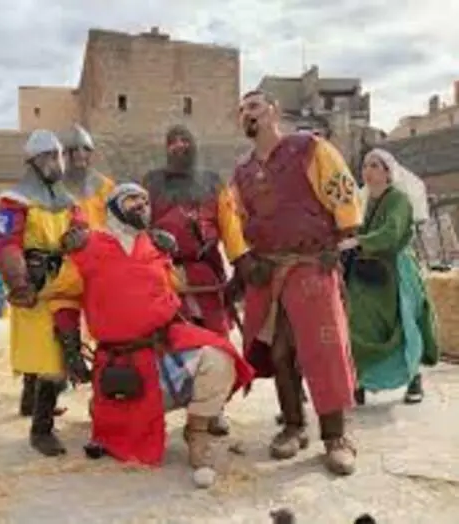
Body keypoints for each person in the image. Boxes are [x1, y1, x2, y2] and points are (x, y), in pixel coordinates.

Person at [46, 183, 254, 488]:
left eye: (145, 200)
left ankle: (197, 432)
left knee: (220, 357)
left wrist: (174, 254)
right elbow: (64, 299)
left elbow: (174, 288)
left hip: (163, 351)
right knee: (121, 432)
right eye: (132, 200)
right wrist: (72, 350)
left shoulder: (156, 246)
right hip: (122, 367)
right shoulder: (87, 248)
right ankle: (103, 410)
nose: (141, 206)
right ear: (114, 206)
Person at [230, 90, 362, 476]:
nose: (246, 114)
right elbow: (235, 219)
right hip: (268, 270)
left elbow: (343, 193)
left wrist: (338, 245)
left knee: (324, 347)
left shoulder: (309, 148)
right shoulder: (241, 171)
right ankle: (293, 425)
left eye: (253, 106)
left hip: (311, 263)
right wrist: (245, 261)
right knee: (279, 351)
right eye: (241, 111)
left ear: (273, 110)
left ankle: (336, 436)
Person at [142, 124, 250, 436]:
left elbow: (230, 228)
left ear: (195, 144)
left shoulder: (213, 183)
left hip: (206, 275)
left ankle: (214, 410)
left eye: (184, 140)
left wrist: (241, 267)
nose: (178, 146)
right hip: (164, 274)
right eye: (171, 141)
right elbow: (138, 225)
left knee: (216, 343)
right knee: (168, 345)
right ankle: (159, 412)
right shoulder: (151, 183)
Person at [0, 129, 86, 456]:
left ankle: (29, 403)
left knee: (55, 347)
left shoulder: (68, 201)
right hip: (32, 283)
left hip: (61, 283)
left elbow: (81, 228)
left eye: (57, 155)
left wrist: (78, 235)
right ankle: (41, 430)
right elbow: (6, 243)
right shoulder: (14, 201)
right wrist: (18, 282)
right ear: (32, 162)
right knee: (48, 357)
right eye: (47, 157)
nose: (55, 162)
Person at [16, 124, 115, 418]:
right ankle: (33, 396)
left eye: (85, 149)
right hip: (59, 265)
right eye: (73, 151)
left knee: (95, 325)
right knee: (48, 333)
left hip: (95, 263)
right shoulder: (50, 187)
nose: (79, 156)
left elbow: (113, 221)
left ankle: (94, 387)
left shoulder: (105, 187)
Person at [343, 148, 439, 405]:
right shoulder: (362, 201)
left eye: (375, 165)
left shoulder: (399, 200)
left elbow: (392, 231)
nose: (368, 171)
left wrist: (358, 241)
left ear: (388, 172)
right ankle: (361, 380)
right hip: (365, 273)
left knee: (403, 324)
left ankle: (413, 378)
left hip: (395, 269)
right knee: (358, 325)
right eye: (365, 165)